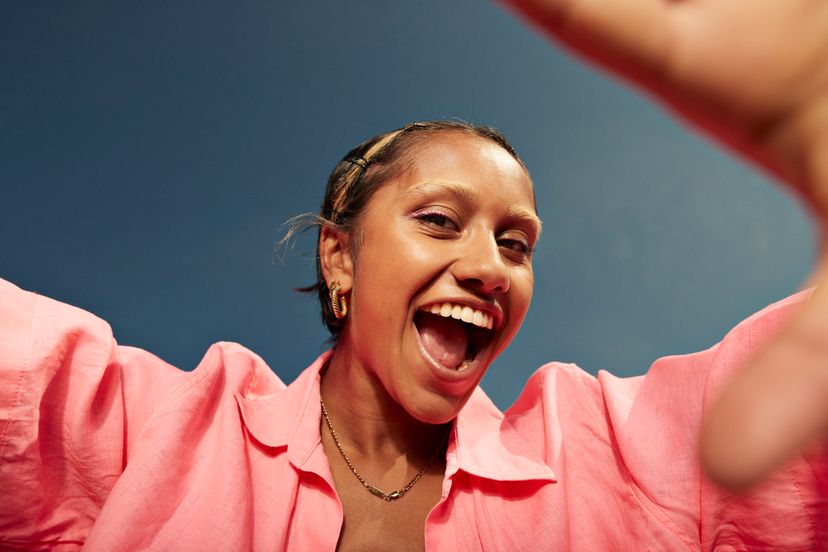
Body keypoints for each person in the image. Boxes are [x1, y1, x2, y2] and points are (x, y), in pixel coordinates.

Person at [2, 2, 828, 552]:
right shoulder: (145, 436)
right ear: (339, 256)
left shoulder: (615, 456)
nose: (488, 268)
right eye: (439, 220)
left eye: (517, 243)